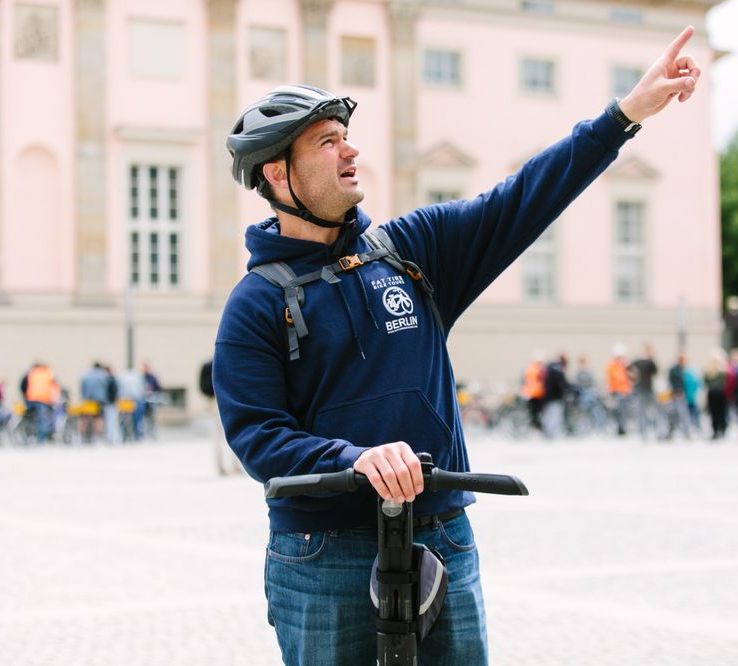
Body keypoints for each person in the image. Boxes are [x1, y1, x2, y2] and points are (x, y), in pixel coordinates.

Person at [213, 26, 701, 665]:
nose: (350, 149)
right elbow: (257, 437)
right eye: (327, 142)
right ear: (278, 173)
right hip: (324, 550)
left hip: (442, 531)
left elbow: (522, 199)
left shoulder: (411, 251)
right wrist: (353, 460)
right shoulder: (255, 303)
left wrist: (625, 115)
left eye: (346, 136)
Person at [629, 343, 659, 439]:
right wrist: (633, 379)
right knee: (641, 412)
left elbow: (655, 371)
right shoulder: (638, 361)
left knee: (656, 410)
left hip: (649, 389)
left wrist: (652, 359)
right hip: (641, 390)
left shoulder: (650, 361)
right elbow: (628, 369)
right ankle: (643, 433)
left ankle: (657, 431)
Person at [605, 344, 633, 436]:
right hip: (616, 392)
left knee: (625, 411)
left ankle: (623, 428)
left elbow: (630, 378)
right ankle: (619, 428)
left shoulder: (625, 366)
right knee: (618, 411)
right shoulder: (612, 366)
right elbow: (615, 379)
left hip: (626, 392)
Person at [704, 349, 728, 440]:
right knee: (717, 413)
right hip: (716, 394)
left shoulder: (721, 372)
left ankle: (719, 429)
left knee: (717, 413)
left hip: (717, 394)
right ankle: (719, 429)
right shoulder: (712, 372)